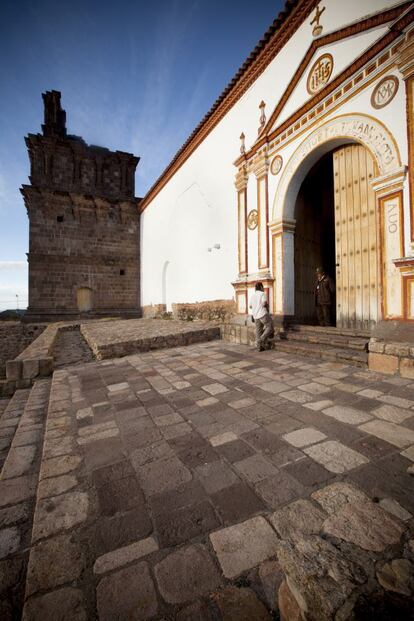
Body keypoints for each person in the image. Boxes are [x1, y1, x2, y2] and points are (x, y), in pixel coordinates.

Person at [249, 282, 274, 351]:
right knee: (270, 327)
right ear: (261, 287)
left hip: (255, 316)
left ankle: (259, 347)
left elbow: (250, 306)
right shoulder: (262, 294)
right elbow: (264, 303)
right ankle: (261, 339)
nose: (263, 288)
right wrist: (267, 308)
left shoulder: (253, 296)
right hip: (263, 314)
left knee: (258, 331)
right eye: (262, 287)